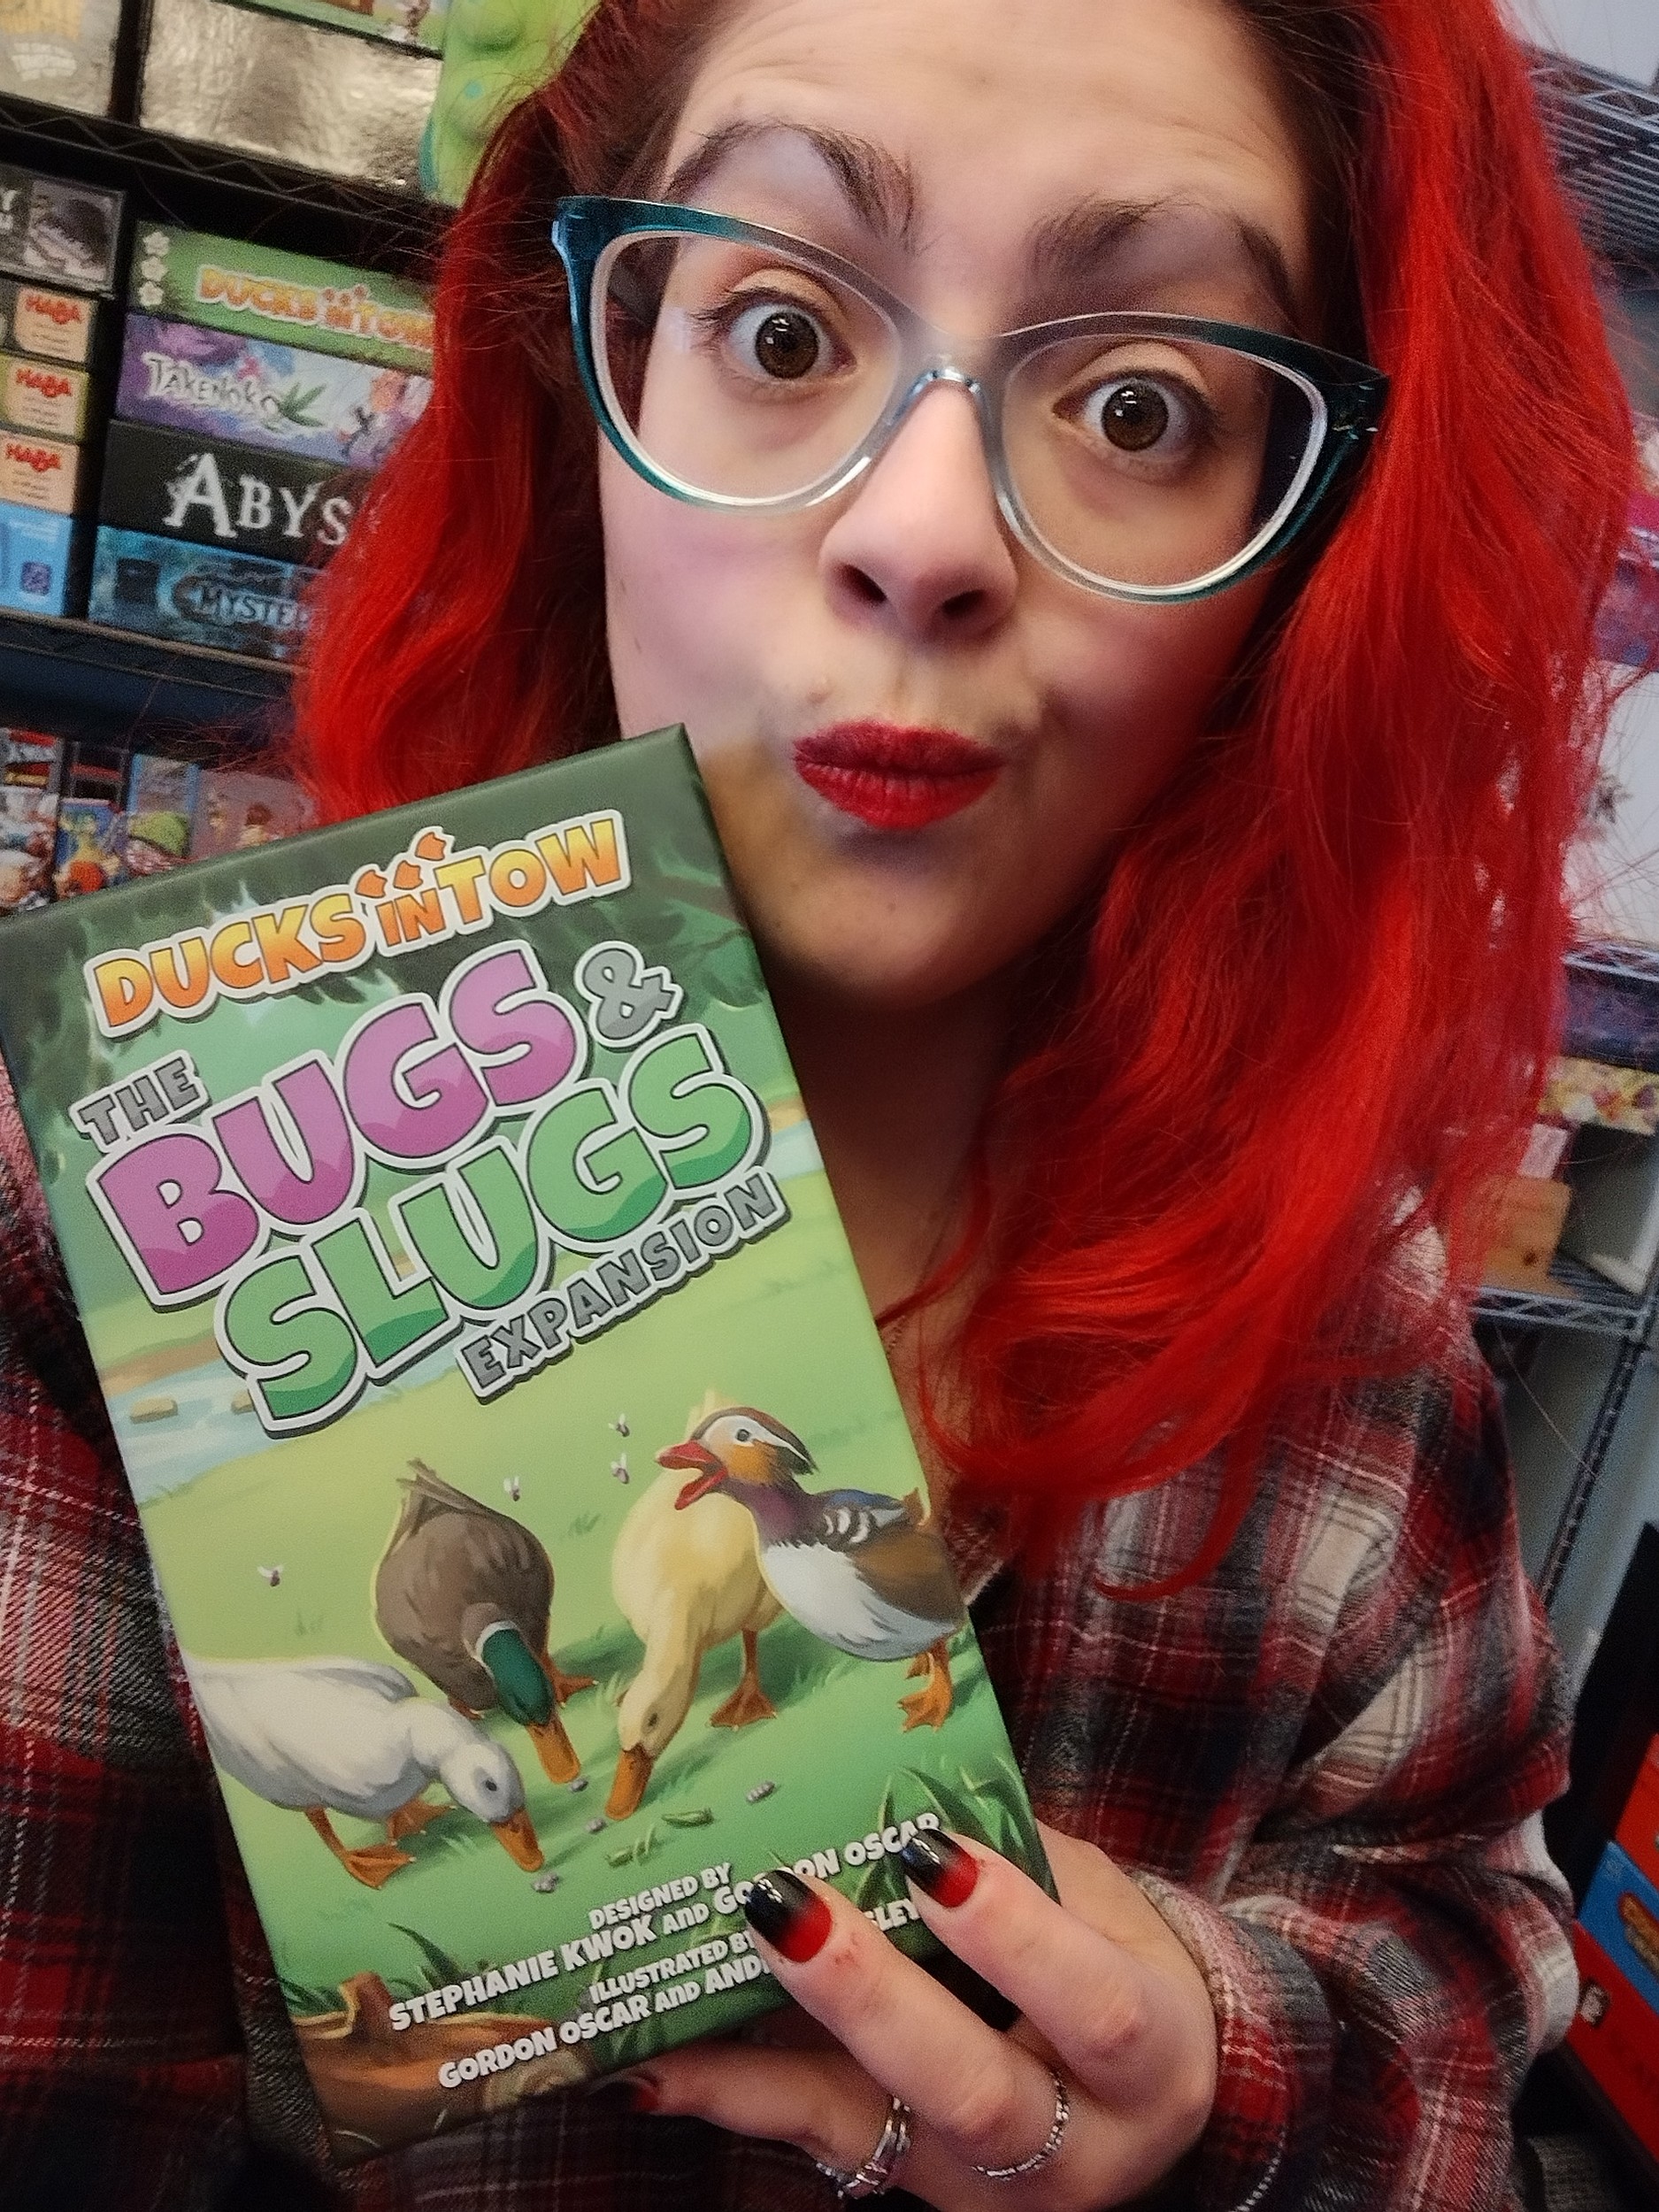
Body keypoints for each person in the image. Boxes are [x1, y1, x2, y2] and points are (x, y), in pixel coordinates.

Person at [0, 0, 1635, 2206]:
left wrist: (1211, 2058)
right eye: (778, 331)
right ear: (588, 373)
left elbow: (1463, 1942)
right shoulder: (113, 1228)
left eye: (1137, 402)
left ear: (1300, 545)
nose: (921, 534)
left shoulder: (1346, 1324)